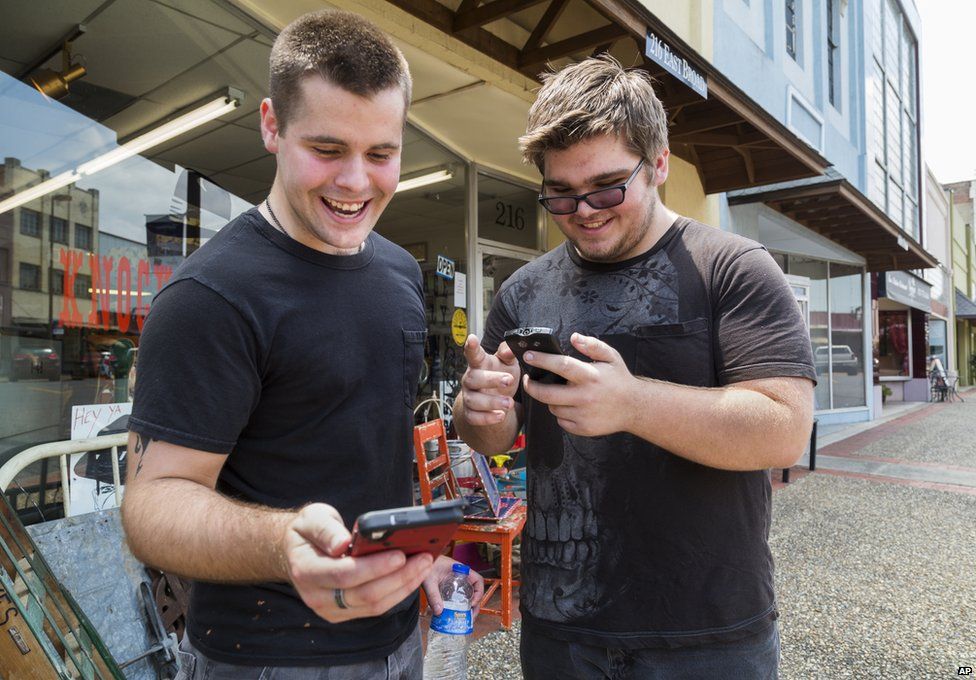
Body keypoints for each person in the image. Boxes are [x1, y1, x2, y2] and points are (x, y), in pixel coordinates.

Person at [121, 10, 481, 678]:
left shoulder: (401, 274)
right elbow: (151, 506)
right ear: (270, 126)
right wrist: (284, 541)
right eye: (327, 149)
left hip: (400, 639)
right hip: (265, 657)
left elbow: (370, 444)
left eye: (381, 154)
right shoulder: (210, 295)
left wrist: (419, 560)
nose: (355, 183)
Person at [453, 56, 815, 679]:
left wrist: (632, 403)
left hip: (707, 631)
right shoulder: (522, 291)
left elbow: (784, 428)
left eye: (606, 187)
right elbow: (499, 436)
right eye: (560, 193)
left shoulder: (731, 269)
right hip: (561, 627)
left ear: (660, 164)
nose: (583, 210)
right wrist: (475, 411)